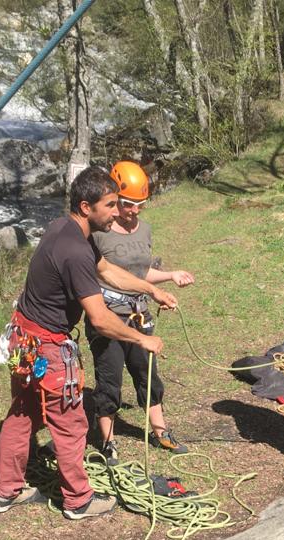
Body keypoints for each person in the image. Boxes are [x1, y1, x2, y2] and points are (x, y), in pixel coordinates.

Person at [0, 166, 166, 520]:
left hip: (23, 340)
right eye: (111, 205)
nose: (117, 212)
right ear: (87, 207)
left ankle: (5, 491)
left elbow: (107, 271)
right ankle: (78, 500)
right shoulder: (74, 251)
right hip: (48, 346)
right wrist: (141, 339)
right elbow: (100, 319)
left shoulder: (65, 228)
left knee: (23, 413)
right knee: (71, 424)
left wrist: (152, 289)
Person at [87, 160, 195, 465]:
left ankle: (160, 431)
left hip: (139, 313)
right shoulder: (98, 234)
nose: (134, 211)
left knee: (148, 373)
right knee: (109, 380)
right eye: (128, 204)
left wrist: (170, 276)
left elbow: (141, 271)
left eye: (140, 205)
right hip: (108, 316)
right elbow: (100, 273)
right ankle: (108, 441)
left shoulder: (144, 229)